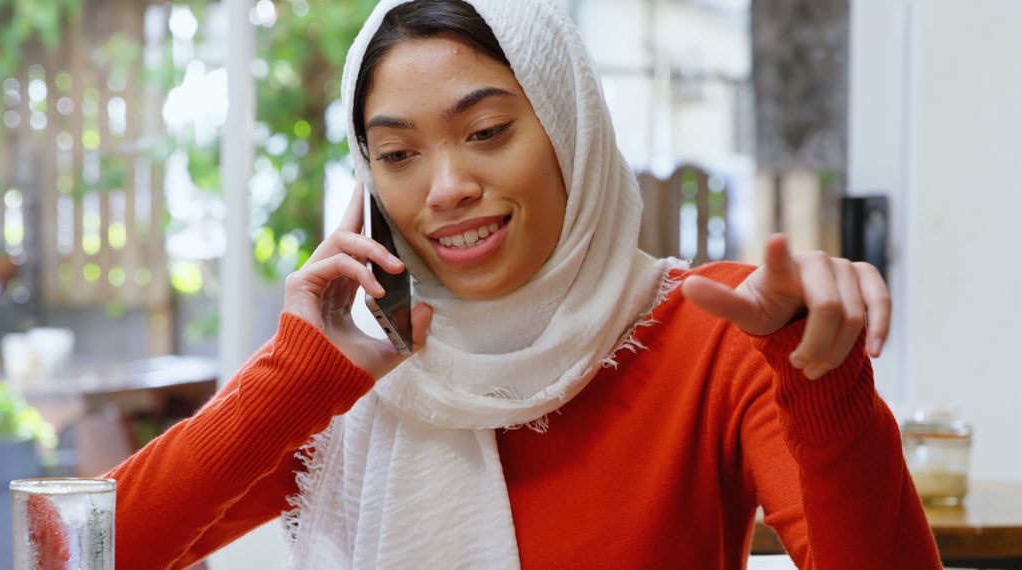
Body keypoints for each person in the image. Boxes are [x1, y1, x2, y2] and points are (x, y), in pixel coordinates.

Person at [106, 0, 940, 568]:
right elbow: (83, 551)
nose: (445, 189)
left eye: (487, 131)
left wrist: (824, 385)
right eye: (396, 155)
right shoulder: (360, 376)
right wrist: (290, 384)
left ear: (570, 130)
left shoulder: (719, 329)